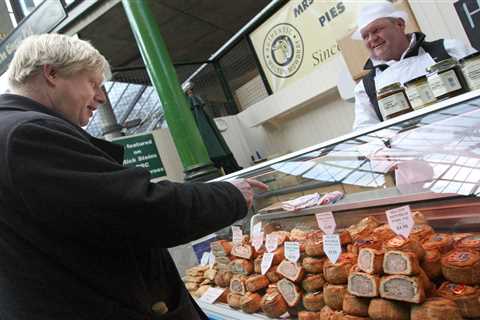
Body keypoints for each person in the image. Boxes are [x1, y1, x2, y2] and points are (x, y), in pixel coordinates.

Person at [0, 33, 268, 320]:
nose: (101, 97)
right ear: (51, 72)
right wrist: (231, 195)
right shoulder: (26, 135)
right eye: (92, 83)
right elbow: (137, 207)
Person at [352, 1, 477, 131]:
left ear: (399, 24)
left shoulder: (449, 49)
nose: (372, 39)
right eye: (365, 36)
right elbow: (365, 133)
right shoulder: (366, 88)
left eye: (376, 30)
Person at [182, 81, 242, 174]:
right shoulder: (198, 114)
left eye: (191, 91)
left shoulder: (197, 116)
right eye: (189, 91)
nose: (190, 92)